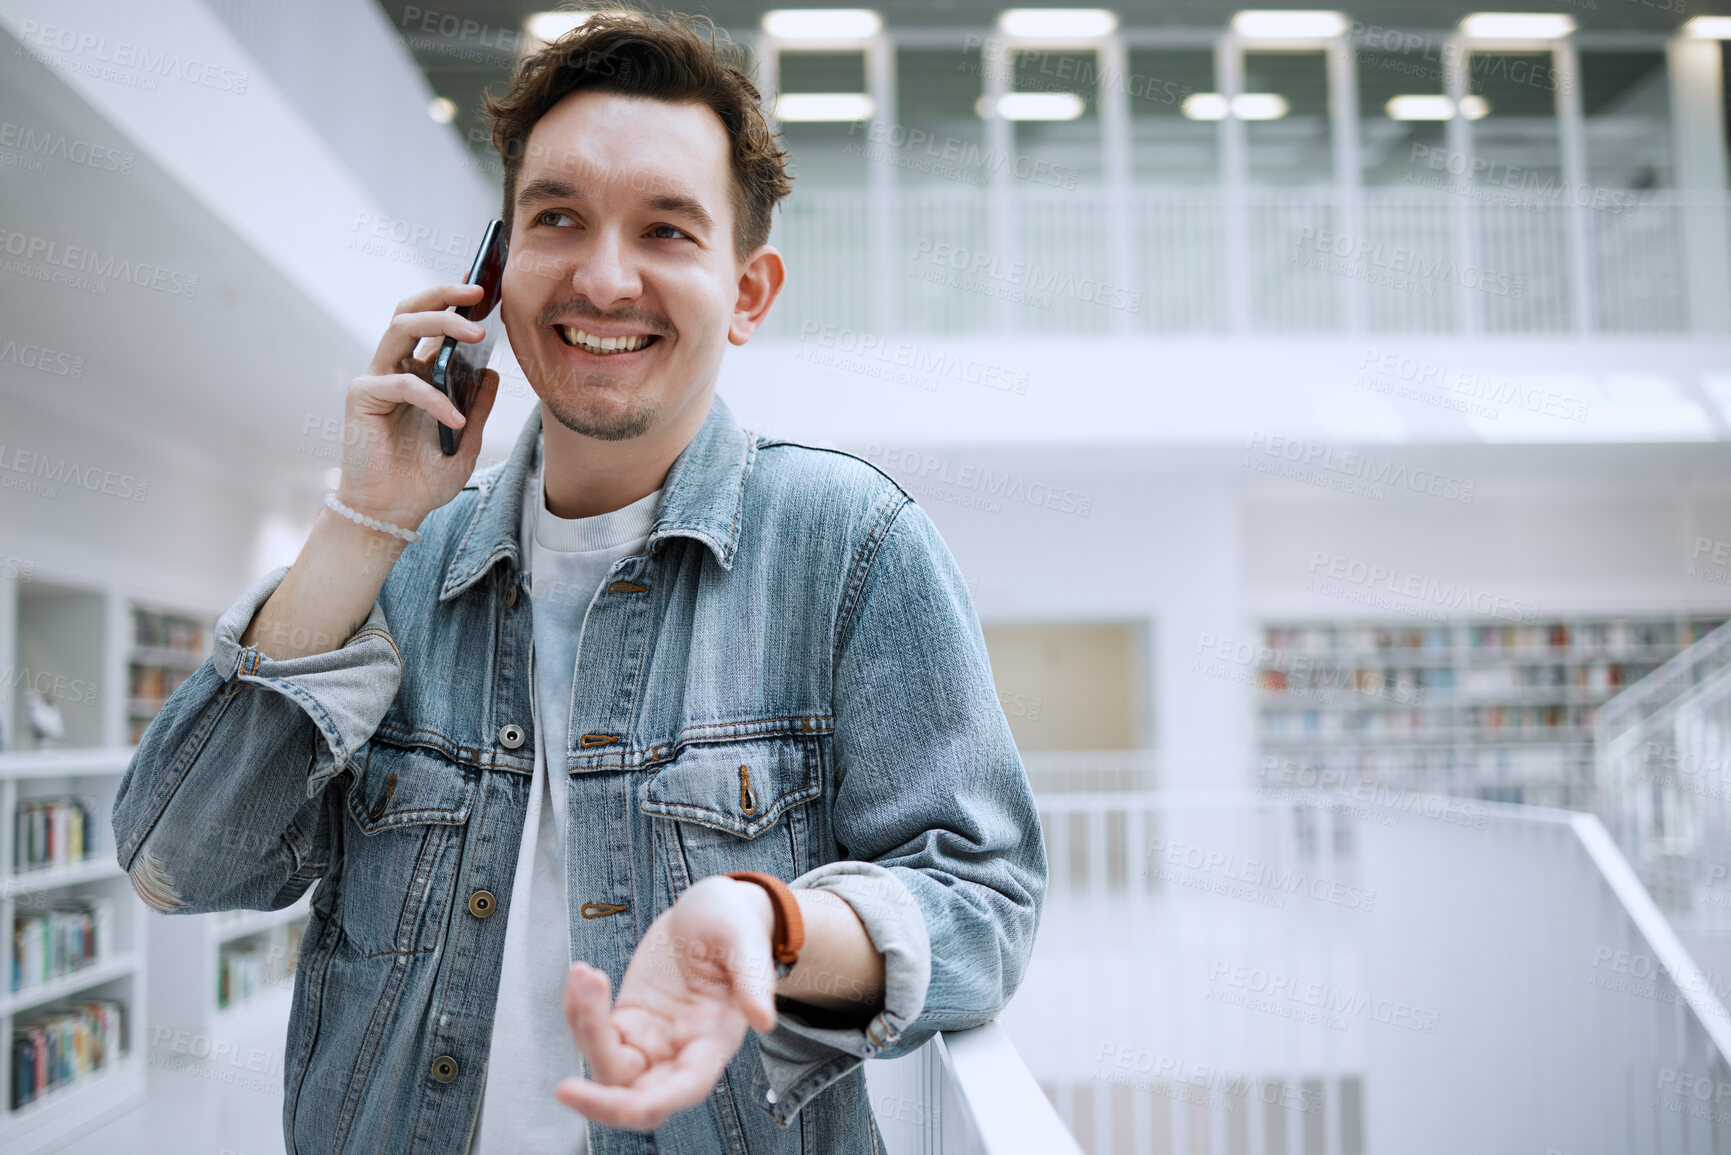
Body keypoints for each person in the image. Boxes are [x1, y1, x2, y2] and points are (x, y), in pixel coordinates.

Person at [112, 9, 1045, 1153]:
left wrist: (771, 921)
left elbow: (980, 898)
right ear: (494, 274)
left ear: (748, 292)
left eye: (666, 231)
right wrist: (365, 528)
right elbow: (179, 863)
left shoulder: (851, 549)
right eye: (558, 219)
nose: (606, 280)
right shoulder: (396, 572)